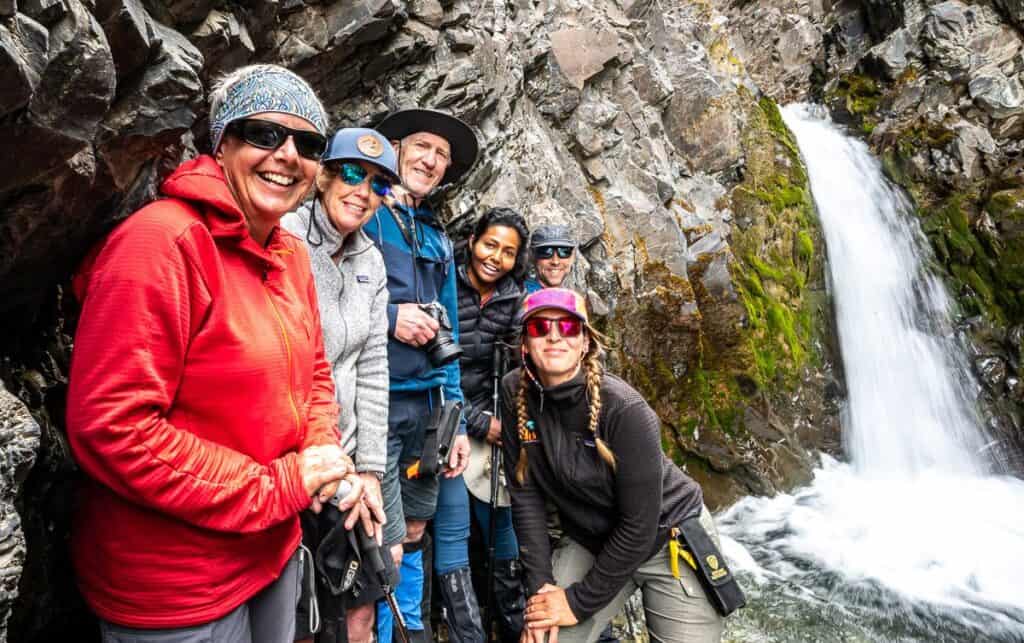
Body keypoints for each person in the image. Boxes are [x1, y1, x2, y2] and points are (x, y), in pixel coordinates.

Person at [65, 64, 360, 643]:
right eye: (264, 133)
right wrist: (280, 486)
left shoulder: (289, 255)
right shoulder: (161, 244)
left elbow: (315, 372)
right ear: (222, 143)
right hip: (176, 584)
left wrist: (320, 450)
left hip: (271, 549)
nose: (287, 155)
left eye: (308, 143)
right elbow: (112, 427)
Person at [500, 289, 727, 643]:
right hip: (591, 538)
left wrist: (575, 602)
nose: (555, 336)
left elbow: (639, 525)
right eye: (541, 326)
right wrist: (541, 589)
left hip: (666, 536)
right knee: (545, 637)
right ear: (525, 343)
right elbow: (525, 496)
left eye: (569, 327)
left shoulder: (625, 409)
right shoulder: (514, 393)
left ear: (585, 343)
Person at [281, 127, 400, 643]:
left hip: (351, 457)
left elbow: (374, 364)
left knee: (362, 607)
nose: (362, 190)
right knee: (302, 611)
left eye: (377, 184)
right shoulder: (284, 237)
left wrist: (370, 469)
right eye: (353, 173)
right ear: (324, 176)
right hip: (292, 461)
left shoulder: (370, 259)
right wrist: (320, 461)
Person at [366, 108, 478, 643]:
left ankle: (409, 627)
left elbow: (448, 329)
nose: (431, 161)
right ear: (396, 147)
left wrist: (455, 421)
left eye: (442, 156)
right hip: (377, 404)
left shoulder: (436, 235)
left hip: (429, 410)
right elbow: (322, 298)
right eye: (423, 147)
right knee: (382, 541)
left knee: (414, 528)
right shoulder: (365, 213)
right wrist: (390, 318)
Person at [455, 208, 530, 643]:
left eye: (508, 253)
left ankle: (513, 620)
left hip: (489, 418)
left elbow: (525, 365)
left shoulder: (513, 299)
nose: (495, 258)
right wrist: (482, 423)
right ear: (472, 241)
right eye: (490, 245)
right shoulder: (444, 281)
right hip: (446, 415)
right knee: (451, 531)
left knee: (500, 519)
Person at [524, 224, 577, 293]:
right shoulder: (521, 296)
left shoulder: (571, 299)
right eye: (545, 252)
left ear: (572, 257)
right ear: (532, 256)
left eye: (564, 251)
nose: (555, 261)